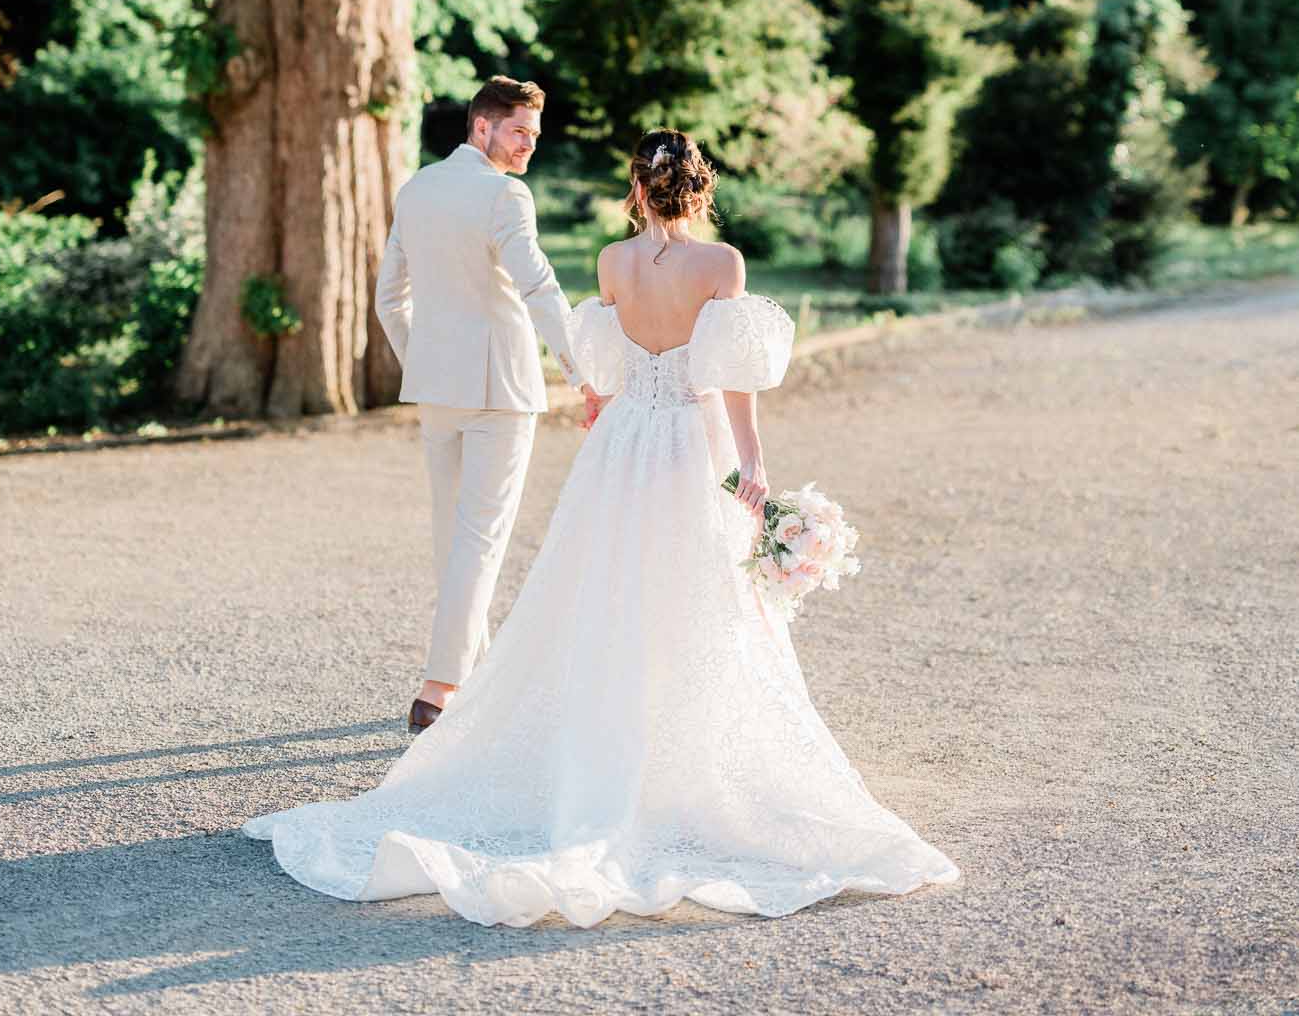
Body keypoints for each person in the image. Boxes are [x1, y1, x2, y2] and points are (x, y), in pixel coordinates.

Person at [245, 127, 959, 926]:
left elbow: (610, 377)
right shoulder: (720, 265)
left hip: (622, 448)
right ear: (699, 185)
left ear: (637, 187)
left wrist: (612, 411)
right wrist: (753, 466)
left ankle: (609, 745)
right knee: (697, 598)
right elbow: (730, 381)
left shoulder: (612, 265)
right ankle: (671, 759)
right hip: (693, 442)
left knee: (605, 594)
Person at [372, 74, 592, 734]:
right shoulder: (504, 194)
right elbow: (539, 286)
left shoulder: (416, 189)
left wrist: (427, 363)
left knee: (455, 536)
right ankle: (437, 688)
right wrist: (584, 371)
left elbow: (390, 301)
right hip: (500, 391)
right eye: (519, 131)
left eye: (534, 135)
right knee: (479, 538)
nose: (529, 145)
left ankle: (475, 673)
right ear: (481, 126)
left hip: (437, 389)